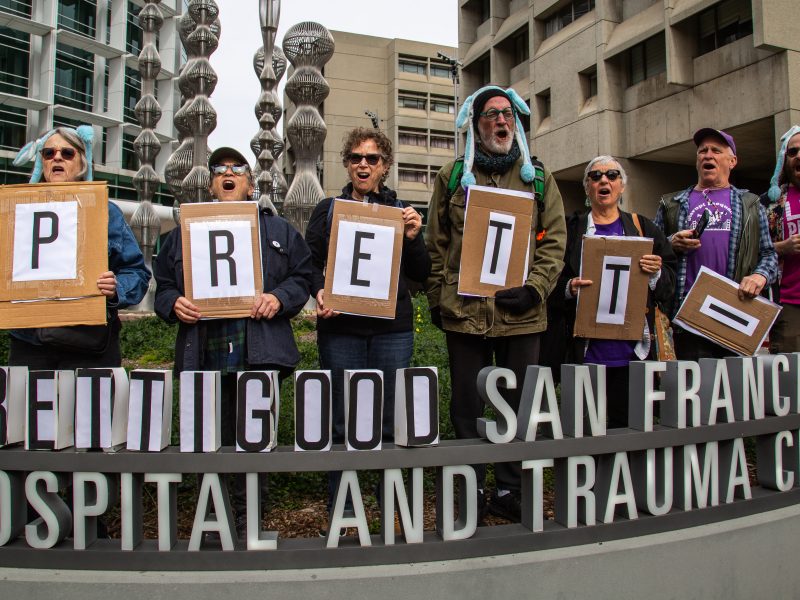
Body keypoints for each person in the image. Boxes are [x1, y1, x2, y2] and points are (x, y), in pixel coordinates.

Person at [153, 146, 312, 537]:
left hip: (258, 353)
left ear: (249, 182)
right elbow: (163, 287)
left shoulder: (278, 230)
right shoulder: (181, 235)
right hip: (203, 354)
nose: (228, 173)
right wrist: (172, 303)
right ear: (211, 184)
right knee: (210, 440)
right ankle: (215, 517)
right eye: (220, 169)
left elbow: (304, 277)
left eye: (237, 169)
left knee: (254, 441)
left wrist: (279, 297)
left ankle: (248, 517)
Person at [425, 85, 566, 522]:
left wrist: (536, 288)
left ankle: (509, 490)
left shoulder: (538, 178)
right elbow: (436, 243)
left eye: (507, 115)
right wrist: (436, 298)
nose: (501, 122)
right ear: (476, 123)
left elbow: (556, 241)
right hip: (464, 313)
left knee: (517, 405)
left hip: (521, 315)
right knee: (466, 405)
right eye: (491, 115)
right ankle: (470, 486)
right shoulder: (451, 176)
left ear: (517, 123)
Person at [304, 127, 430, 513]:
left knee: (390, 416)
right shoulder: (327, 210)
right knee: (342, 417)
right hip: (341, 328)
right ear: (346, 164)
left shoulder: (401, 213)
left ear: (385, 166)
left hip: (391, 329)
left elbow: (422, 274)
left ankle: (388, 497)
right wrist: (319, 291)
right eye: (356, 157)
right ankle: (343, 501)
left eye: (372, 158)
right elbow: (309, 263)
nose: (364, 164)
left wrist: (413, 237)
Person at [9, 125, 150, 369]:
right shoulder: (16, 213)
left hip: (89, 346)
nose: (57, 158)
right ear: (41, 163)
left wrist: (116, 288)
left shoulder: (106, 212)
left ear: (82, 163)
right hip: (29, 345)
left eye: (67, 153)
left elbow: (137, 273)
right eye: (48, 153)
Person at [560, 156, 676, 428]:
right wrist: (568, 288)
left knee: (631, 432)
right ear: (587, 187)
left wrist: (656, 272)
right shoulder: (570, 230)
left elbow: (669, 285)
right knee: (586, 434)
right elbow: (551, 278)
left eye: (612, 175)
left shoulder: (643, 228)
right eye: (596, 176)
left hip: (633, 355)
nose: (604, 180)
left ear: (622, 186)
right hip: (585, 355)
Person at [654, 128, 778, 360]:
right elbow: (650, 252)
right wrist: (671, 242)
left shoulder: (751, 204)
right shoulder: (672, 203)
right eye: (703, 151)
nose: (707, 155)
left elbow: (769, 255)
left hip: (733, 314)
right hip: (685, 318)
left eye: (716, 151)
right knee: (691, 393)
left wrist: (759, 277)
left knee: (731, 393)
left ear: (732, 161)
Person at [762, 125, 800, 353]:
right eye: (792, 152)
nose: (798, 156)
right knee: (790, 381)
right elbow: (750, 249)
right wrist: (781, 247)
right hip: (788, 305)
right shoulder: (770, 203)